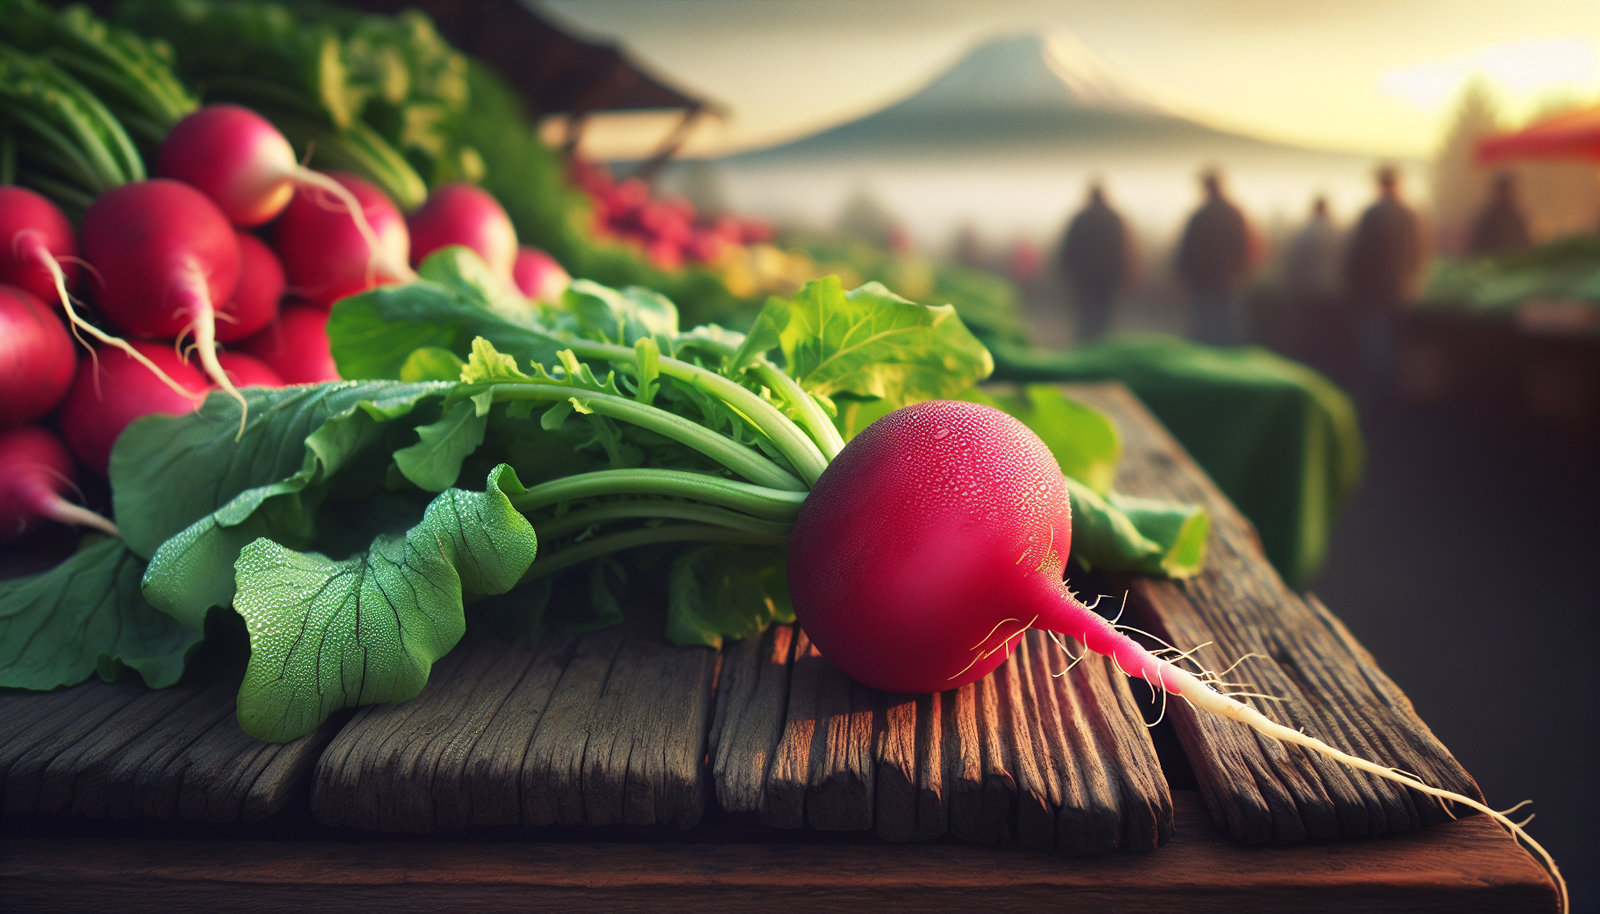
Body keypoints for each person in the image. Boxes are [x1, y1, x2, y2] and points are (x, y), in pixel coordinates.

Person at [1343, 165, 1423, 394]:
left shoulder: (1372, 214)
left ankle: (1379, 392)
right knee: (1398, 342)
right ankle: (1397, 391)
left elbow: (1358, 254)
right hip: (1403, 290)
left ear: (1380, 184)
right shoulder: (1410, 214)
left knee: (1375, 345)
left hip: (1374, 290)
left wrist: (1353, 284)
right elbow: (1420, 253)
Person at [1175, 170, 1255, 345]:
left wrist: (1181, 274)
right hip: (1228, 277)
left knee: (1204, 323)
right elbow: (1244, 246)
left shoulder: (1199, 216)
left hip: (1202, 278)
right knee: (1226, 323)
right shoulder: (1234, 214)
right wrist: (1243, 271)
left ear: (1206, 188)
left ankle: (1205, 358)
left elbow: (1187, 249)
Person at [1057, 182, 1131, 342]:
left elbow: (1069, 247)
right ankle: (1102, 344)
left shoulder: (1080, 219)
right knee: (1104, 314)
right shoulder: (1114, 219)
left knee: (1086, 314)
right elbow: (1123, 249)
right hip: (1107, 276)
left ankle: (1086, 345)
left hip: (1084, 277)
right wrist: (1124, 272)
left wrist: (1065, 269)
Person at [1280, 196, 1342, 363]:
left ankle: (1311, 362)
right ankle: (1329, 363)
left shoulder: (1305, 232)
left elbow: (1294, 263)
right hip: (1331, 291)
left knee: (1310, 332)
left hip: (1308, 291)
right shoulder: (1336, 232)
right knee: (1328, 332)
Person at [1466, 172, 1531, 257]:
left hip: (1514, 261)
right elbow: (1476, 246)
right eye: (1503, 190)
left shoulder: (1517, 217)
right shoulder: (1487, 217)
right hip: (1493, 262)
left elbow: (1526, 244)